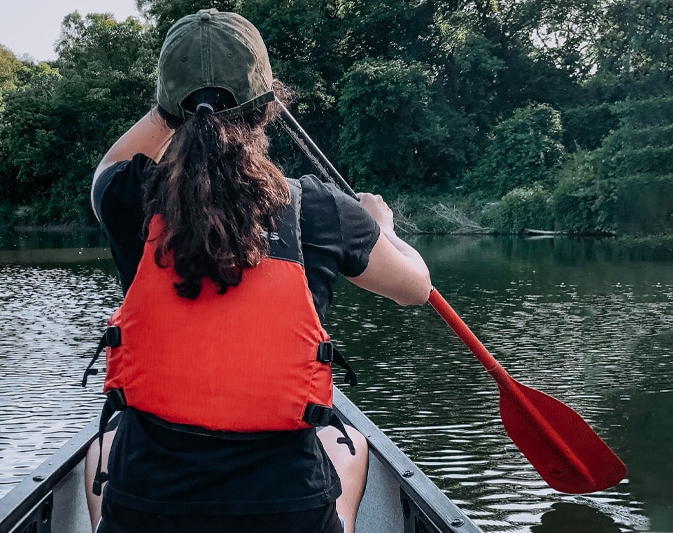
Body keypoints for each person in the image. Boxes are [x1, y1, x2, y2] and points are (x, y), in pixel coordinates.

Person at [84, 8, 431, 533]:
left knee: (103, 447)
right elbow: (416, 287)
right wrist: (382, 226)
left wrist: (170, 107)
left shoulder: (127, 198)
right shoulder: (317, 208)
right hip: (285, 515)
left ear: (167, 110)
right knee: (352, 446)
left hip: (149, 513)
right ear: (268, 109)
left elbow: (108, 165)